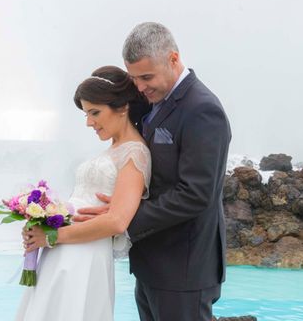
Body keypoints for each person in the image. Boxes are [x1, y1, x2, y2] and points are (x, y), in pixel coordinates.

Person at [76, 22, 232, 321]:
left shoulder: (202, 110)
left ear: (173, 59)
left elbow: (196, 194)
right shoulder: (149, 100)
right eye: (134, 78)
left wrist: (123, 218)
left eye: (146, 77)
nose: (140, 87)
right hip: (151, 263)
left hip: (184, 268)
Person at [16, 66, 151, 321]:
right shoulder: (114, 150)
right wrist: (43, 222)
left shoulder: (135, 153)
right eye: (86, 114)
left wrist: (53, 236)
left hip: (84, 253)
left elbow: (117, 221)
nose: (89, 122)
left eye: (95, 112)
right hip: (67, 247)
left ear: (122, 107)